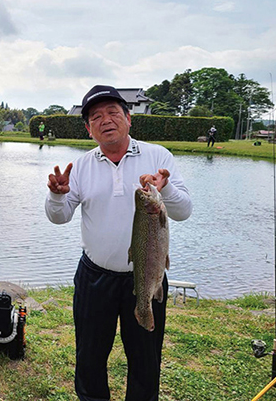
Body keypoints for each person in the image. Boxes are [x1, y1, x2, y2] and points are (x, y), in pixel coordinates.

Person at [45, 85, 192, 401]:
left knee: (146, 357)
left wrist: (164, 190)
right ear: (88, 129)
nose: (105, 120)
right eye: (96, 116)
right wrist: (56, 195)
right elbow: (59, 217)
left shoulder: (157, 156)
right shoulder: (81, 166)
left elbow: (183, 211)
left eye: (113, 112)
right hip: (94, 277)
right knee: (90, 355)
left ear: (129, 118)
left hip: (148, 273)